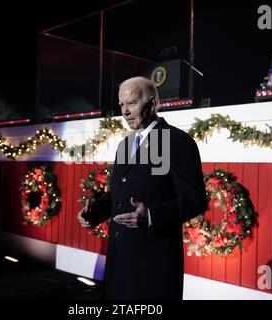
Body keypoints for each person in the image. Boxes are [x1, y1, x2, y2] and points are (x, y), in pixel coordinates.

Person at [77, 76, 208, 299]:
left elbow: (195, 199)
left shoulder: (175, 141)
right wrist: (95, 212)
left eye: (131, 103)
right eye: (121, 105)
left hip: (153, 264)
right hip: (121, 262)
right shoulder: (125, 145)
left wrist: (150, 216)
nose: (125, 111)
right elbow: (121, 193)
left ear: (153, 103)